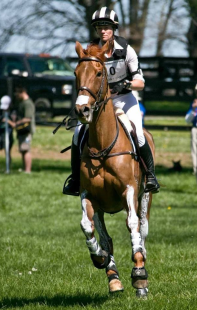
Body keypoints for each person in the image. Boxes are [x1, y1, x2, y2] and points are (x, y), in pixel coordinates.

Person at [63, 6, 160, 196]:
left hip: (125, 100)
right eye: (99, 26)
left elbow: (140, 82)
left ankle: (150, 176)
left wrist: (127, 85)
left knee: (138, 134)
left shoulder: (126, 50)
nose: (103, 30)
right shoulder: (91, 51)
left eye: (107, 26)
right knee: (77, 134)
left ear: (114, 28)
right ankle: (75, 179)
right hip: (99, 104)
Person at [0, 95, 16, 173]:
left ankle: (7, 169)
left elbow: (14, 125)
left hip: (8, 133)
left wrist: (7, 121)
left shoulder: (13, 112)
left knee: (7, 152)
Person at [14, 86, 35, 173]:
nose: (16, 96)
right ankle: (24, 168)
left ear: (22, 92)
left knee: (26, 150)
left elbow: (28, 118)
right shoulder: (22, 103)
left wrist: (17, 123)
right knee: (22, 150)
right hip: (21, 130)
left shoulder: (27, 103)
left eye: (18, 94)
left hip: (27, 130)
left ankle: (28, 170)